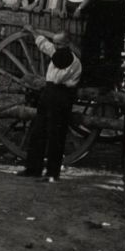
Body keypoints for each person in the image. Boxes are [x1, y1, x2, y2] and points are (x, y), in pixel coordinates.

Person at [17, 25, 82, 183]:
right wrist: (33, 32)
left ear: (67, 44)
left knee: (56, 136)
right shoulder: (58, 52)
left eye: (59, 44)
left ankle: (52, 173)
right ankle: (33, 168)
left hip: (61, 96)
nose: (55, 46)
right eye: (55, 43)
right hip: (49, 93)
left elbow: (56, 61)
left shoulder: (69, 59)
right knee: (38, 130)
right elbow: (45, 45)